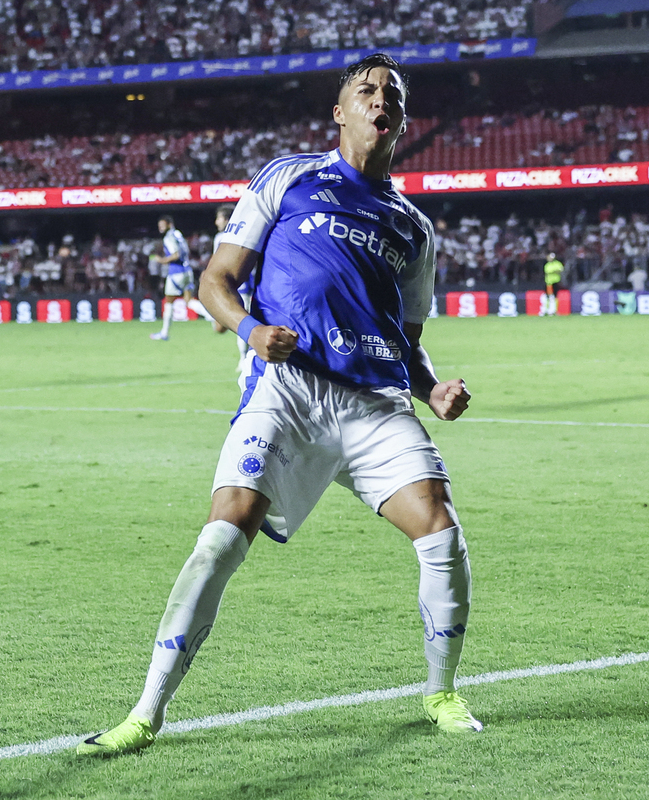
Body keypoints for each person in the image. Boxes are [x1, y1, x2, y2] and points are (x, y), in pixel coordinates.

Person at [77, 53, 481, 758]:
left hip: (376, 406)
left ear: (403, 121)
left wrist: (433, 387)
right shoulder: (288, 178)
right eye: (366, 90)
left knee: (442, 535)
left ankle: (441, 690)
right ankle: (145, 712)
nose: (380, 100)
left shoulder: (414, 228)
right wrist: (249, 330)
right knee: (219, 541)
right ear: (341, 110)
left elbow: (407, 341)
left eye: (393, 94)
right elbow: (215, 280)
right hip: (288, 391)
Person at [209, 202, 253, 371]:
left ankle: (244, 358)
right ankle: (244, 358)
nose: (216, 222)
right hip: (242, 285)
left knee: (240, 322)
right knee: (241, 322)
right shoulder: (245, 233)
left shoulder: (222, 238)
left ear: (227, 220)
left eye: (219, 218)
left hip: (234, 285)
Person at [149, 215, 193, 341]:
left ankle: (164, 332)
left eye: (162, 225)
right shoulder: (178, 234)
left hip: (176, 272)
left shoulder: (169, 237)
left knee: (169, 301)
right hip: (187, 270)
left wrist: (162, 260)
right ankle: (211, 317)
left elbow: (176, 254)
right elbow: (185, 251)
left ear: (169, 224)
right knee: (188, 300)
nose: (160, 228)